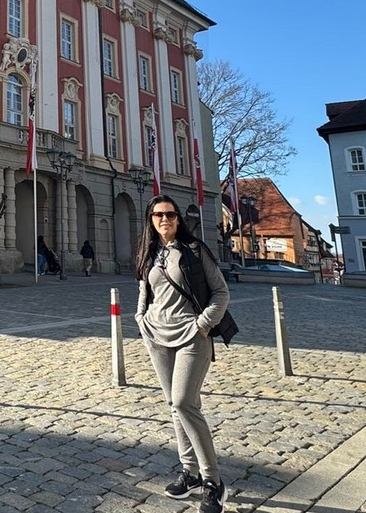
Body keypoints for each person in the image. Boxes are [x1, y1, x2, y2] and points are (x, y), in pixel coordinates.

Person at [134, 194, 230, 513]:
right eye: (159, 215)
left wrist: (202, 325)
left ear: (178, 219)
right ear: (151, 220)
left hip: (191, 335)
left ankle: (212, 481)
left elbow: (221, 292)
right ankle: (189, 473)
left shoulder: (194, 250)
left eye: (171, 215)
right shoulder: (150, 253)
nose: (165, 220)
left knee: (184, 403)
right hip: (157, 337)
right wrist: (141, 320)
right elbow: (144, 291)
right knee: (174, 407)